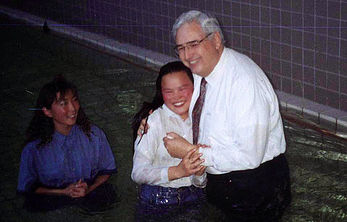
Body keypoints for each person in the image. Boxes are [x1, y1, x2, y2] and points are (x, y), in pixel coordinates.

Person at [154, 10, 291, 221]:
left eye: (193, 44)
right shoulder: (203, 71)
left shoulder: (244, 83)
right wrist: (150, 117)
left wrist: (191, 153)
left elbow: (249, 156)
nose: (187, 55)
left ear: (216, 40)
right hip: (223, 180)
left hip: (256, 187)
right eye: (181, 48)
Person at [17, 76, 117, 212]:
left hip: (89, 194)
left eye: (74, 100)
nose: (72, 109)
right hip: (52, 200)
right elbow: (27, 186)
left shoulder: (94, 135)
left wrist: (89, 189)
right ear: (47, 111)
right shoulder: (34, 148)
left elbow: (107, 170)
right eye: (63, 103)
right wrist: (64, 192)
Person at [131, 61, 207, 221]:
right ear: (161, 93)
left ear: (195, 87)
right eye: (169, 91)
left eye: (182, 88)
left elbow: (201, 180)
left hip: (194, 196)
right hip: (158, 200)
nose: (177, 96)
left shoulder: (204, 118)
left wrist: (199, 175)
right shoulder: (154, 121)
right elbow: (137, 172)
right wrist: (177, 171)